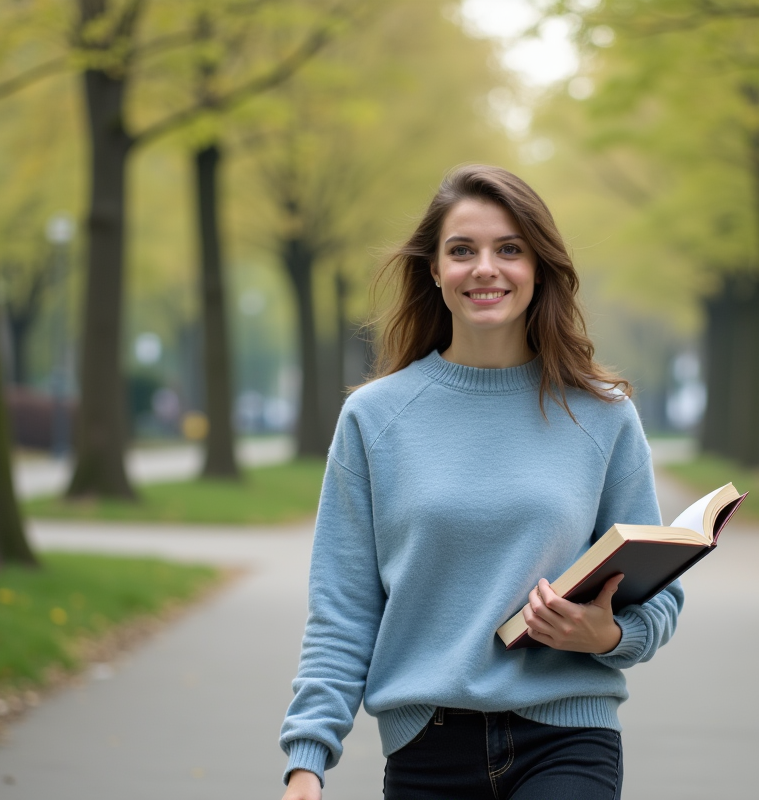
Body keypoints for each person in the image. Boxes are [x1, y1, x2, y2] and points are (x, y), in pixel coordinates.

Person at [279, 164, 682, 800]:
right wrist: (308, 759)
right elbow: (343, 610)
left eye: (510, 249)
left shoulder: (602, 415)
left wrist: (608, 636)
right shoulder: (374, 419)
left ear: (539, 268)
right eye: (462, 250)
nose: (485, 268)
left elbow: (658, 596)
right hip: (427, 748)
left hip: (568, 736)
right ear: (434, 270)